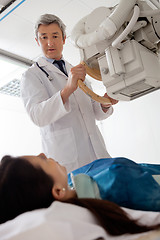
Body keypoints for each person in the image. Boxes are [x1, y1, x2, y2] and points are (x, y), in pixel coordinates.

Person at [20, 13, 118, 172]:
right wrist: (67, 89)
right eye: (43, 37)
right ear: (37, 41)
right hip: (67, 160)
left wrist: (105, 103)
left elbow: (95, 112)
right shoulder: (31, 76)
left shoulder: (78, 71)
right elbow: (37, 116)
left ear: (64, 39)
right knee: (80, 196)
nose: (50, 42)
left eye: (55, 36)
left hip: (97, 153)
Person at [0, 153, 160, 236]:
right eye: (41, 160)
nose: (43, 153)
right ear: (57, 191)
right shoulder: (116, 190)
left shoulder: (73, 178)